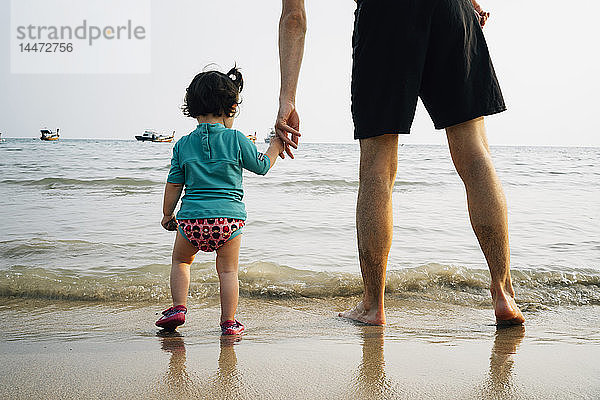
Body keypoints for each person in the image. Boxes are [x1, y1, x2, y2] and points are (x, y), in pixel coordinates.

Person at [275, 0, 525, 326]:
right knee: (476, 154)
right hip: (452, 9)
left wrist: (287, 98)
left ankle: (372, 305)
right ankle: (503, 293)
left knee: (377, 167)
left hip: (385, 17)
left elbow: (294, 16)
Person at [157, 66, 284, 334]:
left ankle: (178, 307)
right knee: (227, 272)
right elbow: (261, 166)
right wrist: (276, 145)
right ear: (231, 106)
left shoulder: (182, 145)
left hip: (191, 221)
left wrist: (168, 214)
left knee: (181, 262)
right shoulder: (237, 139)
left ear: (191, 106)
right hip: (228, 222)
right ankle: (229, 322)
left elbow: (174, 183)